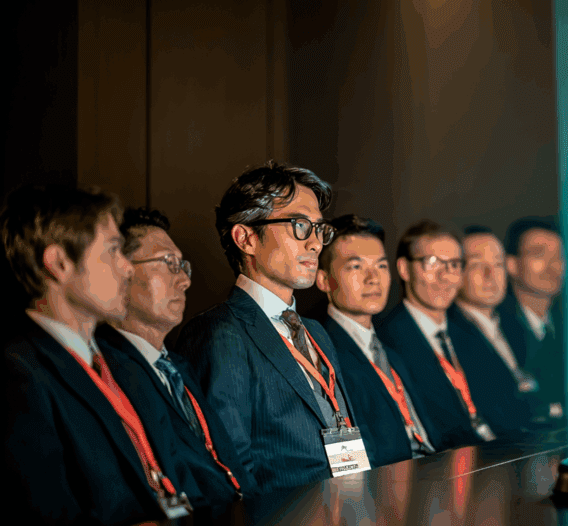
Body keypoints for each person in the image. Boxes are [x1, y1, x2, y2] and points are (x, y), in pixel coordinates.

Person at [3, 186, 199, 524]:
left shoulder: (120, 363)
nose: (126, 268)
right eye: (112, 251)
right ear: (59, 263)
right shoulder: (17, 375)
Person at [177, 162, 364, 495]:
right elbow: (232, 471)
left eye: (319, 228)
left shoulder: (316, 332)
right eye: (299, 225)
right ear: (246, 238)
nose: (316, 244)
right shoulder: (219, 333)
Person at [95, 208, 256, 506]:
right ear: (120, 270)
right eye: (168, 263)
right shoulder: (105, 370)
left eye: (183, 266)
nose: (184, 280)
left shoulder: (179, 365)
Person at [313, 215, 478, 465]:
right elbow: (347, 463)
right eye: (356, 267)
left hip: (439, 470)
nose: (373, 278)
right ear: (324, 280)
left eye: (380, 266)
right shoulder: (323, 354)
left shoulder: (388, 349)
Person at [376, 220, 494, 443]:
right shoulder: (387, 339)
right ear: (404, 269)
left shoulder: (468, 332)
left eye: (454, 265)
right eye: (432, 263)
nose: (445, 276)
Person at [449, 225, 536, 431]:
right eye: (477, 264)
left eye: (498, 264)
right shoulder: (447, 334)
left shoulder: (515, 324)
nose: (491, 274)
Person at [498, 217, 566, 421]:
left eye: (559, 256)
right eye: (538, 254)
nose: (552, 266)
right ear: (511, 264)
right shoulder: (496, 328)